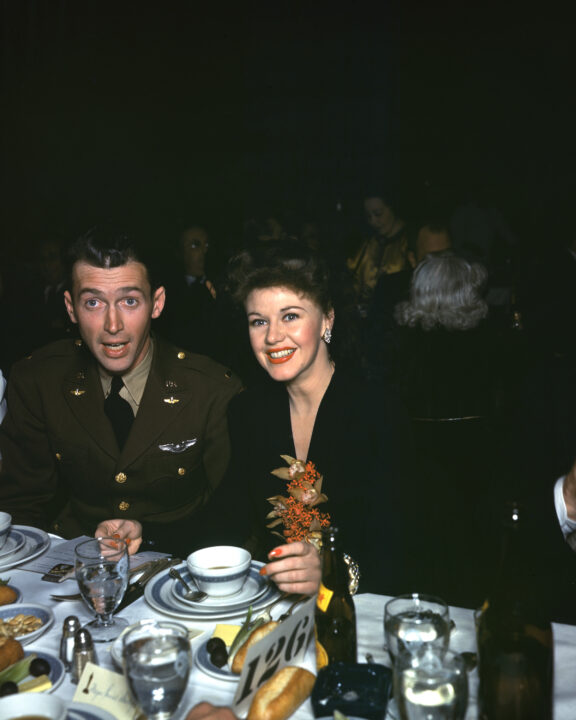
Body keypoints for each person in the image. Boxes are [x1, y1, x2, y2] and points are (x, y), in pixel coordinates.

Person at [0, 226, 242, 555]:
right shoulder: (38, 380)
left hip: (180, 566)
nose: (113, 325)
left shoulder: (210, 388)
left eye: (129, 301)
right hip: (74, 563)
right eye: (93, 303)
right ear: (70, 308)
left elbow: (234, 518)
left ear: (157, 303)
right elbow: (21, 510)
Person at [205, 241, 411, 596]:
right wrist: (143, 535)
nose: (272, 336)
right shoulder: (248, 413)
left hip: (364, 613)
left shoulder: (378, 412)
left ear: (327, 319)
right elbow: (225, 520)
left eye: (290, 316)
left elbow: (403, 551)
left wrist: (333, 572)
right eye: (259, 321)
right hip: (276, 612)